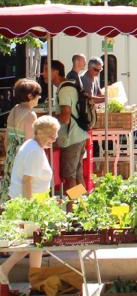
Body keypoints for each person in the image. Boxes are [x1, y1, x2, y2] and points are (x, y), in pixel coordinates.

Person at [0, 116, 59, 284]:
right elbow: (27, 181)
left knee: (36, 243)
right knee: (33, 241)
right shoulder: (34, 150)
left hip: (31, 200)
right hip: (30, 202)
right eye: (52, 135)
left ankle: (35, 278)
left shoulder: (32, 145)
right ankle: (5, 269)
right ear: (41, 134)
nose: (54, 139)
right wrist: (28, 208)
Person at [46, 60, 88, 189]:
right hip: (79, 135)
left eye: (46, 70)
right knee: (76, 174)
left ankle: (72, 207)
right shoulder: (69, 86)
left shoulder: (64, 90)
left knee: (70, 177)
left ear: (55, 72)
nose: (43, 74)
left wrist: (49, 118)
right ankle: (81, 206)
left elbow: (65, 118)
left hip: (71, 138)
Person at [0, 79, 40, 203]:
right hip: (22, 161)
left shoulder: (14, 110)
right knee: (23, 196)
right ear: (30, 96)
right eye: (37, 94)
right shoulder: (30, 114)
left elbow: (7, 139)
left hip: (11, 158)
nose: (39, 97)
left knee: (10, 195)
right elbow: (29, 142)